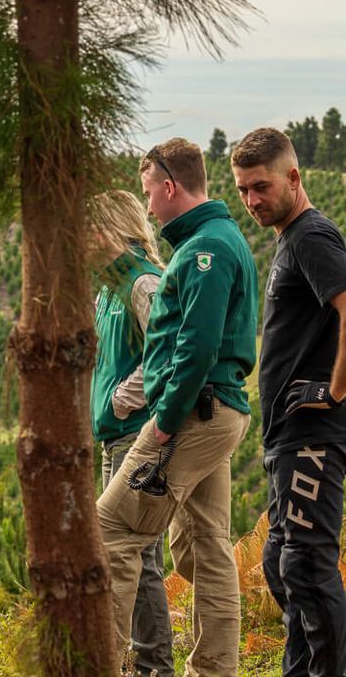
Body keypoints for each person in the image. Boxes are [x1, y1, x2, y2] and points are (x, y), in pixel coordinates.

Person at [98, 137, 257, 677]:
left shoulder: (205, 249)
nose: (146, 207)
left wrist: (164, 423)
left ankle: (100, 663)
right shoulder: (217, 239)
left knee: (112, 531)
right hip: (217, 411)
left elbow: (197, 346)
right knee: (205, 546)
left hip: (192, 415)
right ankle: (214, 669)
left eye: (148, 192)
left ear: (169, 186)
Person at [231, 127, 346, 677]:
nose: (252, 200)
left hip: (313, 437)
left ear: (293, 178)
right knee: (282, 563)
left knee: (305, 567)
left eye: (261, 186)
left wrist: (334, 391)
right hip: (288, 438)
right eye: (242, 189)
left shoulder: (311, 237)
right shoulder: (291, 239)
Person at [87, 190, 172, 677]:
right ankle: (148, 662)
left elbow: (168, 350)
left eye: (89, 227)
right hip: (115, 437)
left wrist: (122, 398)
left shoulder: (142, 282)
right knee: (129, 553)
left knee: (135, 554)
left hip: (137, 434)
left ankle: (154, 666)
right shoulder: (108, 289)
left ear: (112, 229)